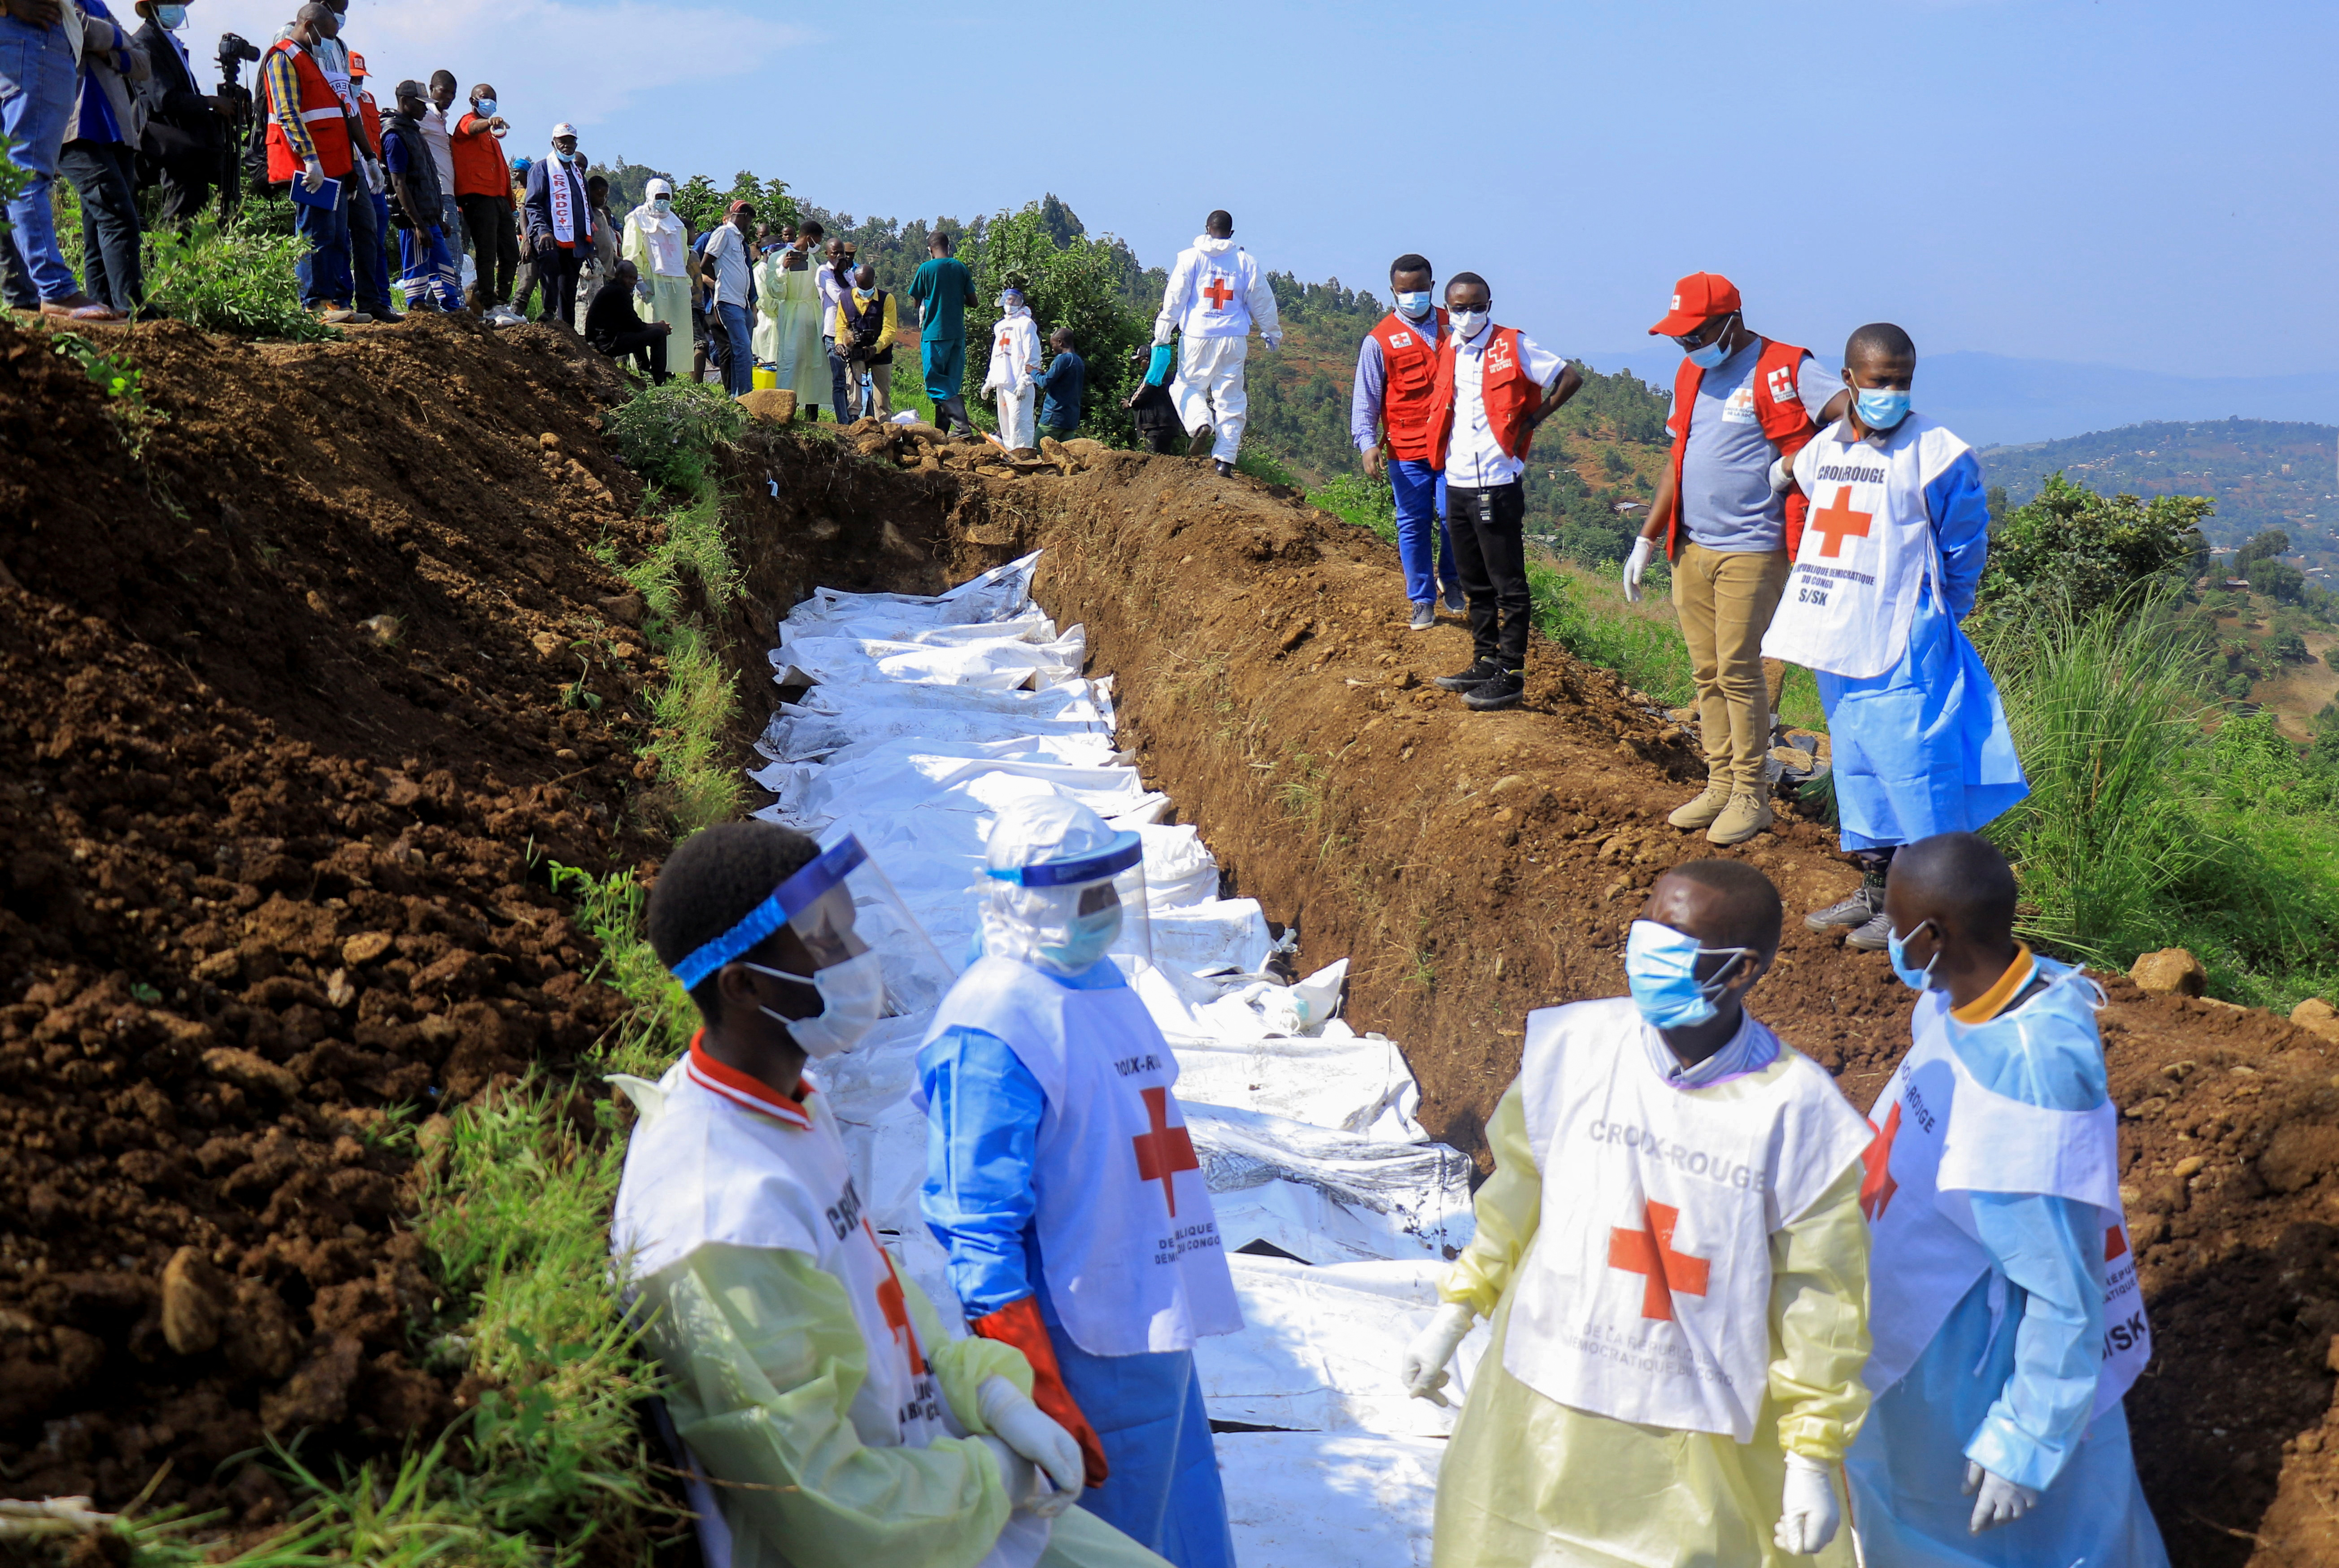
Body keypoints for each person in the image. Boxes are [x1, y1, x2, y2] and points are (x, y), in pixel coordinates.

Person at [610, 821, 1172, 1568]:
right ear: (743, 986)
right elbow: (826, 1505)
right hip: (889, 1534)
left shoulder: (790, 1107)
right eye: (825, 943)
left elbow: (877, 1289)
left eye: (849, 929)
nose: (858, 959)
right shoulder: (725, 1220)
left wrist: (988, 1394)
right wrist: (995, 1474)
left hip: (932, 1495)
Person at [1400, 859, 1876, 1568]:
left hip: (1693, 1440)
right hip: (1541, 1402)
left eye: (1674, 938)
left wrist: (1810, 1454)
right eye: (1647, 924)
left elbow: (1822, 1297)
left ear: (1741, 969)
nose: (1647, 947)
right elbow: (1514, 1197)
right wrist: (1454, 1313)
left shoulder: (1797, 1113)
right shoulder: (1573, 1052)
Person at [917, 796, 1244, 1568]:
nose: (1102, 909)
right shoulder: (991, 1026)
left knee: (1178, 1500)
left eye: (1107, 888)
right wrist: (1026, 1373)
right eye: (1080, 892)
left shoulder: (1096, 981)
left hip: (1147, 1311)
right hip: (1078, 1339)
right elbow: (976, 1221)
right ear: (1023, 904)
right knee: (1107, 1535)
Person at [1847, 832, 2169, 1566]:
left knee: (1996, 1533)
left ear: (1934, 935)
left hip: (1971, 1358)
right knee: (1901, 1504)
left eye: (1896, 921)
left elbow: (2063, 1286)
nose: (1889, 936)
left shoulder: (2027, 1080)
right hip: (1914, 1309)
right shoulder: (1965, 994)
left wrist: (2026, 1438)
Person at [1759, 324, 2029, 951]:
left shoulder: (1937, 454)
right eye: (1879, 381)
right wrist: (1777, 470)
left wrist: (1939, 615)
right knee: (1858, 765)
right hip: (1838, 635)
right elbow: (1797, 477)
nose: (1892, 393)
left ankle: (1926, 911)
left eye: (1902, 381)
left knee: (1914, 768)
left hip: (1904, 637)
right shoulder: (1827, 446)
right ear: (1848, 380)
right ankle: (1877, 893)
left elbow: (1965, 544)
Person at [1632, 273, 1850, 848]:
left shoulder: (1786, 367)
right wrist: (1647, 537)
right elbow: (1677, 458)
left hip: (1752, 548)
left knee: (1738, 670)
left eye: (1696, 334)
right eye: (1679, 337)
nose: (1687, 345)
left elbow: (1852, 416)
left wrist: (1796, 464)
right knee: (1706, 672)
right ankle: (1720, 783)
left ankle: (1751, 795)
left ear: (1731, 321)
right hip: (1691, 546)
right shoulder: (1692, 371)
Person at [1422, 272, 1584, 713]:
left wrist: (1531, 422)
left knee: (1507, 583)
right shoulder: (1450, 349)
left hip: (1495, 482)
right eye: (1459, 308)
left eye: (1477, 307)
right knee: (1473, 581)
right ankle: (1484, 661)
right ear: (1447, 309)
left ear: (1489, 306)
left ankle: (1511, 674)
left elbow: (1568, 378)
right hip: (1456, 480)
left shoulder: (1512, 345)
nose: (1468, 315)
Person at [1352, 252, 1463, 631]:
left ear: (1431, 287)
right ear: (1393, 291)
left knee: (1455, 516)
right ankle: (1421, 600)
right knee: (1412, 523)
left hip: (1454, 445)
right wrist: (1367, 443)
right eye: (1404, 291)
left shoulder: (1456, 325)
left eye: (1419, 289)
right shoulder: (1379, 340)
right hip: (1407, 449)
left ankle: (1452, 578)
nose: (1412, 297)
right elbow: (1366, 398)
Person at [1154, 210, 1280, 477]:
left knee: (1186, 386)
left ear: (1206, 228)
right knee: (1230, 399)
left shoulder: (1190, 258)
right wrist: (1272, 333)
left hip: (1197, 336)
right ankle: (1225, 460)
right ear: (1231, 233)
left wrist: (1162, 335)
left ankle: (1201, 422)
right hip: (1233, 339)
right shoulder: (1246, 262)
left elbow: (1175, 299)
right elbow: (1263, 302)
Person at [261, 4, 359, 323]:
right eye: (326, 36)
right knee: (315, 233)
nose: (329, 44)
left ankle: (331, 302)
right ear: (308, 26)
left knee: (334, 235)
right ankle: (313, 304)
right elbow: (287, 112)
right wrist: (310, 159)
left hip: (332, 165)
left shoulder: (310, 59)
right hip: (311, 166)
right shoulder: (283, 57)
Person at [57, 0, 148, 319]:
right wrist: (118, 41)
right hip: (76, 128)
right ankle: (132, 310)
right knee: (118, 218)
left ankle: (102, 310)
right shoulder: (63, 3)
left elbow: (144, 63)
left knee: (99, 228)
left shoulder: (96, 4)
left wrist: (108, 52)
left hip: (117, 133)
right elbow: (81, 30)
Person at [130, 0, 226, 228]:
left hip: (185, 144)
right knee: (181, 218)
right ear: (154, 7)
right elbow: (164, 99)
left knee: (192, 213)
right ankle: (174, 251)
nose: (177, 9)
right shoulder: (145, 42)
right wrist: (210, 102)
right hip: (170, 143)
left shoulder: (168, 42)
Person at [379, 78, 460, 312]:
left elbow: (427, 178)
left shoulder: (413, 132)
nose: (426, 108)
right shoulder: (395, 136)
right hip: (413, 221)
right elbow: (398, 183)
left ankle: (453, 310)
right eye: (421, 103)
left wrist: (436, 219)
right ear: (405, 102)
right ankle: (417, 311)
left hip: (429, 218)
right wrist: (417, 224)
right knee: (417, 270)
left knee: (444, 267)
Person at [450, 82, 517, 319]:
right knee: (487, 252)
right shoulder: (468, 123)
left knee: (511, 252)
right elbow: (471, 128)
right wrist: (488, 122)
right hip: (478, 197)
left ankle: (501, 302)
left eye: (493, 98)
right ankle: (488, 306)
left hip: (499, 199)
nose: (490, 102)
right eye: (485, 97)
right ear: (473, 101)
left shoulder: (492, 137)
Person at [910, 227, 979, 435]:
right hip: (957, 333)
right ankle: (943, 432)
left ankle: (962, 426)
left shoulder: (926, 269)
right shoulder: (960, 268)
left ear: (930, 250)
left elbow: (916, 301)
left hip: (935, 333)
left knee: (935, 382)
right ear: (949, 247)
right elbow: (974, 302)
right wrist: (954, 295)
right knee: (950, 384)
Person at [523, 122, 593, 327]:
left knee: (569, 285)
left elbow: (586, 210)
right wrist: (543, 231)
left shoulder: (579, 176)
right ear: (553, 143)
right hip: (549, 235)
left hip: (575, 239)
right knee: (551, 261)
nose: (567, 146)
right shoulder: (542, 168)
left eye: (571, 141)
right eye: (562, 141)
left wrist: (589, 244)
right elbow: (532, 204)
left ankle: (566, 327)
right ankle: (548, 310)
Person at [754, 231, 828, 415]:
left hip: (813, 317)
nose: (817, 246)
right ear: (808, 238)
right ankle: (784, 410)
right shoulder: (778, 258)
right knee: (791, 363)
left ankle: (812, 413)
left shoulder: (811, 259)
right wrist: (784, 269)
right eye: (817, 241)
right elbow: (776, 292)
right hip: (792, 317)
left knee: (814, 365)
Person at [622, 176, 692, 337]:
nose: (663, 201)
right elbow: (632, 251)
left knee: (680, 331)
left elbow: (683, 255)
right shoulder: (637, 218)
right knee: (654, 325)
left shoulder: (677, 224)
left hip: (677, 284)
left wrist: (687, 282)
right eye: (659, 197)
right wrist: (639, 280)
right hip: (652, 281)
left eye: (667, 197)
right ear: (651, 196)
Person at [699, 198, 756, 395]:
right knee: (743, 348)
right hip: (728, 301)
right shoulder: (724, 233)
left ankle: (737, 394)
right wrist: (719, 284)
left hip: (742, 303)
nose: (750, 225)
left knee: (739, 350)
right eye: (750, 221)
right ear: (745, 217)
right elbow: (705, 263)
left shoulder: (739, 239)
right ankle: (745, 394)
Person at [586, 259, 671, 383]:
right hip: (607, 344)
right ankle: (659, 381)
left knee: (638, 335)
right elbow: (636, 325)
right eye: (628, 278)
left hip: (603, 340)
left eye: (634, 279)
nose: (632, 282)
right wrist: (659, 326)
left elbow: (632, 325)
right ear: (618, 276)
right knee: (658, 335)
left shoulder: (613, 289)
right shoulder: (619, 292)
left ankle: (645, 373)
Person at [984, 287, 1042, 451]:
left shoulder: (1026, 324)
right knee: (1006, 422)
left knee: (1020, 420)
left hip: (1018, 382)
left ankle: (1024, 453)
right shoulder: (1000, 326)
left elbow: (1032, 353)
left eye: (1014, 300)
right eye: (1008, 299)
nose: (1011, 303)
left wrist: (1026, 380)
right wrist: (990, 381)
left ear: (1021, 303)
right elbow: (997, 355)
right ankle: (1010, 452)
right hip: (1003, 381)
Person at [839, 261, 897, 418]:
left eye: (868, 286)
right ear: (856, 282)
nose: (865, 290)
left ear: (875, 280)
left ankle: (883, 424)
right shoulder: (845, 298)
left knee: (882, 398)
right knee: (853, 389)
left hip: (881, 351)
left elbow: (890, 330)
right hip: (856, 351)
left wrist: (876, 348)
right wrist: (840, 343)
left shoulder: (887, 299)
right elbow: (841, 327)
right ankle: (854, 418)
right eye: (861, 286)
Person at [811, 225, 854, 422]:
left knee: (854, 378)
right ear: (827, 254)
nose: (839, 257)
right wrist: (839, 274)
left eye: (842, 253)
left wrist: (845, 273)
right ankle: (843, 421)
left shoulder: (849, 273)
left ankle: (854, 417)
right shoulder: (823, 272)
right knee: (839, 379)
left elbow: (860, 294)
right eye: (835, 253)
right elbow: (839, 297)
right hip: (832, 332)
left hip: (851, 331)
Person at [420, 69, 459, 254]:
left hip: (447, 192)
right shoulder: (424, 114)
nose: (449, 97)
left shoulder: (440, 119)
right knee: (451, 255)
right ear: (432, 89)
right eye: (445, 91)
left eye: (453, 93)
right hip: (439, 192)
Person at [1125, 339, 1181, 454]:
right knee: (1163, 458)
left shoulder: (1155, 375)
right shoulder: (1166, 374)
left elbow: (1143, 392)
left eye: (1140, 361)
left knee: (1153, 458)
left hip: (1156, 426)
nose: (1139, 365)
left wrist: (1130, 403)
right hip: (1166, 424)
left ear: (1147, 360)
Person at [505, 155, 540, 321]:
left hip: (531, 235)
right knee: (525, 272)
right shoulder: (513, 192)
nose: (515, 174)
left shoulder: (533, 188)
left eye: (518, 171)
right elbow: (521, 213)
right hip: (520, 234)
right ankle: (513, 310)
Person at [1036, 328, 1084, 443]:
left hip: (1055, 416)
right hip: (1071, 419)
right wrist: (1045, 375)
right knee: (1066, 450)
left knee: (1038, 448)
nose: (1052, 348)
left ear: (1060, 342)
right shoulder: (1079, 361)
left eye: (1053, 344)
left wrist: (1033, 373)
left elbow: (1045, 382)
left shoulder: (1063, 359)